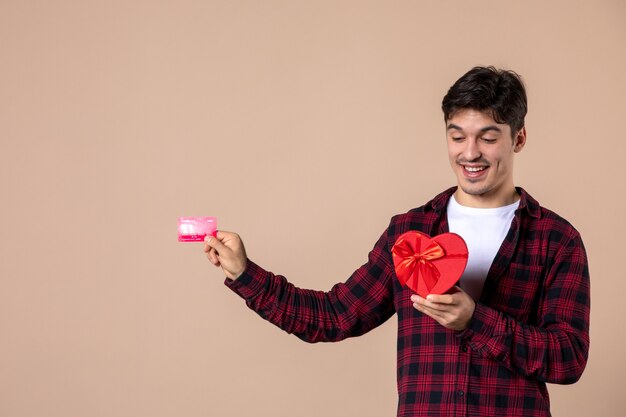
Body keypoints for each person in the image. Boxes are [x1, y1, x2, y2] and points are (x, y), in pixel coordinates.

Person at [203, 66, 590, 417]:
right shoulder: (408, 232)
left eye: (487, 138)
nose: (470, 153)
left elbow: (568, 357)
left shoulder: (556, 240)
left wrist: (476, 320)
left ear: (518, 138)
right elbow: (334, 315)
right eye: (457, 137)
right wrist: (244, 273)